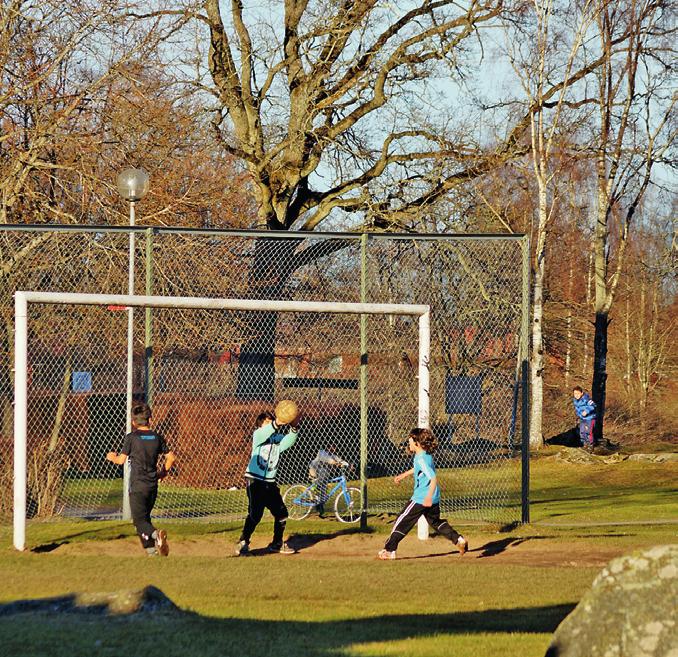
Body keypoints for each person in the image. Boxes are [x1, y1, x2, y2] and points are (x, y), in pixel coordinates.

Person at [378, 427, 468, 560]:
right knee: (436, 522)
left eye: (410, 442)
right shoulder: (425, 455)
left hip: (422, 498)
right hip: (434, 497)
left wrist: (427, 497)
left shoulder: (420, 458)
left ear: (417, 444)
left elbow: (432, 477)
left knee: (401, 521)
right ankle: (458, 540)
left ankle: (389, 550)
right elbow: (419, 468)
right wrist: (403, 475)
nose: (408, 445)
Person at [106, 402, 176, 557]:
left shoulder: (131, 438)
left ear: (133, 422)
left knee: (139, 521)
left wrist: (112, 457)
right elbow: (171, 458)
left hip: (138, 486)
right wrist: (162, 473)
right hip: (152, 486)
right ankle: (152, 552)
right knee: (144, 520)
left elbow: (121, 460)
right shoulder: (157, 437)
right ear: (149, 420)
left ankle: (156, 535)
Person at [235, 408, 299, 556]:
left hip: (270, 482)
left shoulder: (276, 441)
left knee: (282, 513)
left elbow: (289, 441)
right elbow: (265, 432)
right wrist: (277, 422)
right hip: (255, 480)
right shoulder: (258, 435)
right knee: (255, 514)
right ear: (260, 425)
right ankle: (243, 541)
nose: (270, 423)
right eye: (267, 421)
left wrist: (294, 427)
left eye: (271, 420)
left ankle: (277, 543)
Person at [309, 444, 349, 517]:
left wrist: (347, 464)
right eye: (332, 446)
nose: (334, 448)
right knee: (324, 474)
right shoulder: (322, 452)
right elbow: (328, 460)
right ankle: (314, 486)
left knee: (323, 494)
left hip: (322, 473)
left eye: (335, 447)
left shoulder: (333, 456)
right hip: (315, 470)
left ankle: (320, 509)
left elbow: (340, 460)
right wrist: (336, 463)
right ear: (327, 447)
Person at [572, 385, 596, 450]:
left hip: (590, 418)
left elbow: (593, 406)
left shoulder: (586, 399)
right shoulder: (575, 401)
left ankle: (590, 445)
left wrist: (586, 411)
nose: (576, 395)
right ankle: (585, 444)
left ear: (581, 393)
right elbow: (578, 410)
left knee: (588, 431)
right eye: (575, 394)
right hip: (582, 419)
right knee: (582, 432)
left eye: (577, 393)